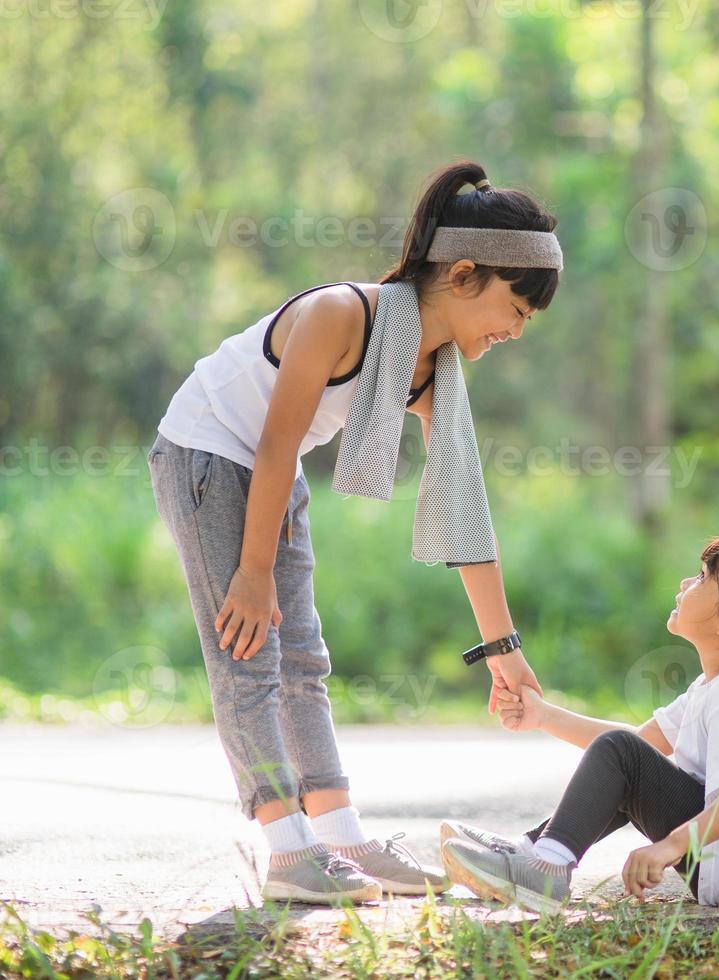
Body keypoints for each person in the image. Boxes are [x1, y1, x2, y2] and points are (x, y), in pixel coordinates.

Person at [147, 160, 556, 903]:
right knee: (249, 652)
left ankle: (340, 835)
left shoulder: (430, 370)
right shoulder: (341, 315)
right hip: (206, 456)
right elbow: (272, 443)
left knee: (304, 654)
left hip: (277, 474)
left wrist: (504, 649)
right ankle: (286, 847)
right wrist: (252, 569)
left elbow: (463, 502)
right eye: (517, 309)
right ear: (463, 275)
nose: (516, 332)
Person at [440, 529, 719, 912]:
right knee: (624, 761)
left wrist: (671, 845)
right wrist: (543, 715)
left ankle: (544, 868)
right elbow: (634, 750)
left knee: (624, 757)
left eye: (703, 577)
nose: (685, 582)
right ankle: (532, 851)